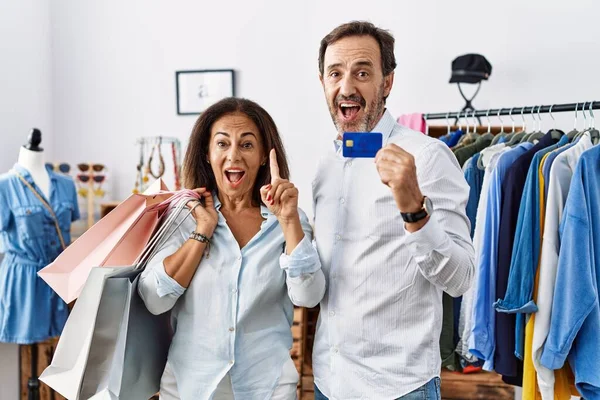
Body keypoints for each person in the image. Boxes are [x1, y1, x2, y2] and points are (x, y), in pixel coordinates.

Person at [311, 21, 475, 400]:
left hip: (398, 388)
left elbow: (462, 278)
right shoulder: (325, 165)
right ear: (322, 82)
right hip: (329, 382)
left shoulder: (429, 158)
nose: (346, 86)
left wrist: (415, 209)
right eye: (335, 73)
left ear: (387, 83)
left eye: (362, 72)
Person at [138, 97, 326, 400]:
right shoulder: (183, 216)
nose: (233, 156)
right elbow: (153, 299)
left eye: (247, 145)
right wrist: (202, 233)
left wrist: (289, 220)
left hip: (267, 386)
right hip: (190, 386)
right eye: (223, 144)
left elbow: (308, 295)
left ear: (264, 155)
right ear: (208, 154)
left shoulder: (289, 219)